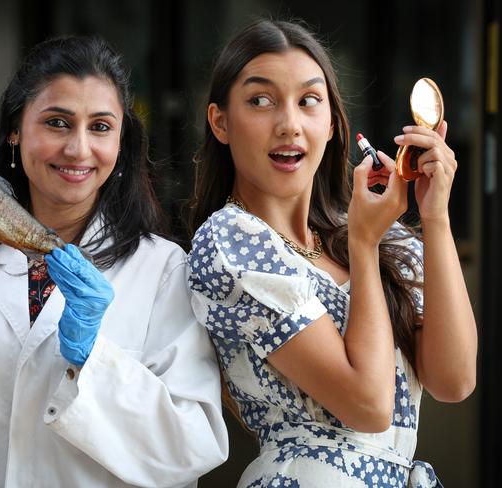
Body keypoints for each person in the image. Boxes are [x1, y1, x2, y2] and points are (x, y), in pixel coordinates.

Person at [0, 35, 228, 487]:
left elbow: (192, 446)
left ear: (120, 143)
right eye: (57, 122)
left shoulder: (164, 269)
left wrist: (91, 360)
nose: (78, 149)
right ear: (16, 130)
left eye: (100, 127)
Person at [186, 19, 477, 487]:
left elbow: (454, 379)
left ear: (332, 124)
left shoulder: (379, 233)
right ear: (220, 122)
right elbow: (368, 404)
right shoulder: (230, 240)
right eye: (260, 101)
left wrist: (435, 215)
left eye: (308, 101)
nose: (289, 124)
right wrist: (363, 247)